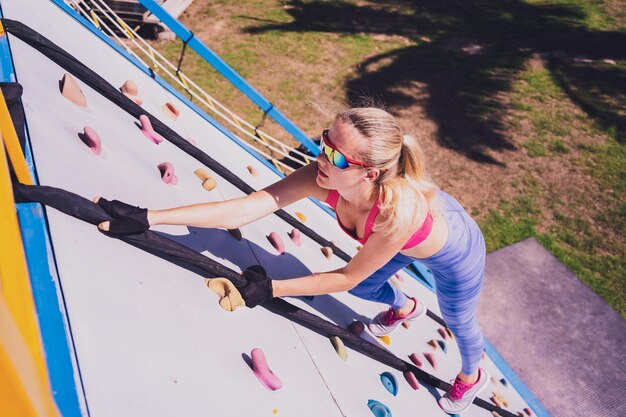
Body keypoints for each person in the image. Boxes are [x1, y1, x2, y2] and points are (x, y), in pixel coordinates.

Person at [94, 107, 489, 414]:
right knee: (372, 287)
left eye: (336, 156)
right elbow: (245, 210)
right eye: (324, 142)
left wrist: (272, 289)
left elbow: (345, 278)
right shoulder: (324, 177)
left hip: (455, 251)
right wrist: (149, 217)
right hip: (393, 237)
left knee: (458, 319)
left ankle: (472, 376)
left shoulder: (394, 215)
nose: (321, 157)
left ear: (369, 175)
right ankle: (405, 306)